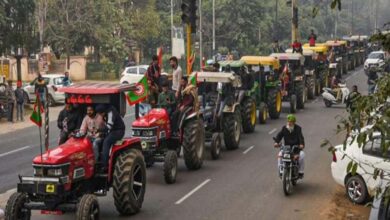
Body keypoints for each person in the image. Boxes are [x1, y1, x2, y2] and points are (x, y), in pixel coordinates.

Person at [274, 114, 305, 178]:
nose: (289, 123)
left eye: (291, 122)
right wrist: (276, 142)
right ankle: (280, 170)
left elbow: (301, 137)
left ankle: (300, 172)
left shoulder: (298, 129)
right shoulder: (284, 128)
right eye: (288, 121)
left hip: (296, 149)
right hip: (286, 149)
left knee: (302, 155)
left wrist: (301, 144)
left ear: (294, 122)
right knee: (280, 155)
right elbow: (279, 135)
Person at [95, 104, 125, 171]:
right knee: (99, 140)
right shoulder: (105, 113)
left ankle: (105, 165)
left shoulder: (111, 112)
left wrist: (98, 130)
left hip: (118, 131)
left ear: (103, 112)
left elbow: (109, 126)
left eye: (100, 114)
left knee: (106, 142)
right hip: (111, 131)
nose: (100, 115)